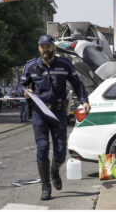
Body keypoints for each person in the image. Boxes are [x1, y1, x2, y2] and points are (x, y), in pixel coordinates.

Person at [18, 34, 91, 200]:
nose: (46, 49)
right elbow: (21, 85)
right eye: (42, 46)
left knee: (60, 151)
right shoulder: (30, 66)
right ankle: (45, 186)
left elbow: (77, 84)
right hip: (39, 113)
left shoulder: (64, 64)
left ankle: (54, 171)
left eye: (48, 46)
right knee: (42, 148)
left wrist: (84, 101)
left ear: (53, 47)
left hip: (58, 113)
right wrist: (25, 92)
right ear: (39, 48)